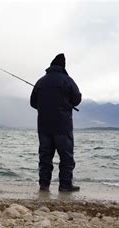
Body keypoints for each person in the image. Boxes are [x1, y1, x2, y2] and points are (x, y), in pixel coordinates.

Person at [30, 53, 82, 192]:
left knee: (45, 157)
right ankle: (65, 185)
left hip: (44, 126)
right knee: (66, 157)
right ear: (63, 66)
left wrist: (45, 108)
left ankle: (44, 185)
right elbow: (77, 99)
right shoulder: (67, 80)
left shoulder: (40, 81)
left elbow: (33, 103)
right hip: (62, 126)